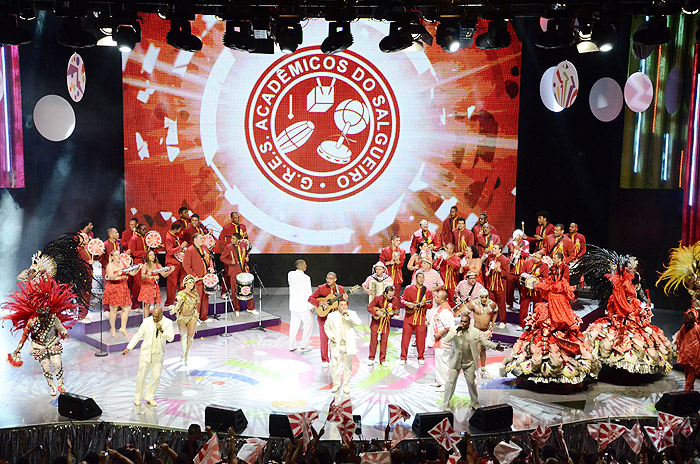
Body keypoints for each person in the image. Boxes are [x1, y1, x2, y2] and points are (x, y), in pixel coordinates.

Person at [503, 252, 600, 384]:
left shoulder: (564, 268)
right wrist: (540, 284)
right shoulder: (553, 268)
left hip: (559, 301)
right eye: (553, 258)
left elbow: (561, 284)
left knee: (562, 323)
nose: (553, 260)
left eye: (555, 258)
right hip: (552, 300)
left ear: (560, 259)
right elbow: (548, 283)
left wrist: (546, 285)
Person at [578, 247, 674, 375]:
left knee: (643, 335)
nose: (634, 269)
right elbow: (618, 296)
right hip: (622, 310)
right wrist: (625, 309)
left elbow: (639, 291)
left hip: (633, 310)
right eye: (632, 267)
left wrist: (646, 300)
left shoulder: (636, 278)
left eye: (636, 267)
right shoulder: (621, 280)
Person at [3, 277, 77, 395]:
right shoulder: (32, 322)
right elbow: (24, 335)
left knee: (57, 363)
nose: (43, 318)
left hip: (53, 343)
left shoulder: (53, 318)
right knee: (46, 367)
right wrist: (18, 348)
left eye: (45, 315)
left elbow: (61, 327)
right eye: (41, 315)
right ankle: (52, 386)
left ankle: (60, 384)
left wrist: (64, 333)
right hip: (39, 346)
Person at [441, 312, 502, 411]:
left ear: (469, 323)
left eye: (465, 322)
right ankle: (445, 404)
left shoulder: (475, 332)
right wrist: (455, 331)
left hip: (469, 363)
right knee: (450, 383)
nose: (463, 323)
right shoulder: (454, 330)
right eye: (461, 321)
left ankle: (475, 403)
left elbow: (484, 342)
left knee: (471, 384)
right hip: (455, 362)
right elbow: (447, 340)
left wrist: (495, 346)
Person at [122, 306, 175, 406]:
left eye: (157, 317)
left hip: (158, 354)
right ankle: (137, 397)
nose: (154, 318)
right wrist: (129, 348)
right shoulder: (147, 321)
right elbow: (138, 335)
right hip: (146, 353)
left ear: (161, 315)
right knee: (141, 377)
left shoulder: (168, 323)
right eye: (153, 316)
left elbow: (171, 338)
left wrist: (162, 330)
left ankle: (150, 397)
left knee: (156, 376)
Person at [309, 272, 346, 367]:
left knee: (337, 339)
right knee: (324, 339)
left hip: (336, 318)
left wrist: (345, 300)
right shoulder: (321, 288)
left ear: (335, 279)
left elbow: (345, 305)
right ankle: (325, 360)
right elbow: (311, 298)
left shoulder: (340, 289)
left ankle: (337, 359)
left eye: (331, 278)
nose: (328, 280)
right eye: (327, 278)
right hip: (323, 317)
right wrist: (320, 303)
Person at [324, 299, 361, 394]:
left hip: (348, 343)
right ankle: (336, 384)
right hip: (337, 343)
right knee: (335, 365)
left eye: (345, 305)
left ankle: (346, 385)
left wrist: (348, 315)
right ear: (338, 306)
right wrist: (330, 335)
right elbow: (326, 327)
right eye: (341, 305)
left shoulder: (352, 313)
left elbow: (358, 323)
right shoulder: (331, 316)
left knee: (348, 366)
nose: (343, 307)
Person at [103, 249, 140, 337]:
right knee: (114, 309)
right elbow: (110, 277)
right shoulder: (110, 265)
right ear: (112, 257)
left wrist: (137, 268)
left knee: (127, 308)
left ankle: (123, 327)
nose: (119, 256)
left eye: (119, 255)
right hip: (114, 288)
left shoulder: (123, 264)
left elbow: (131, 273)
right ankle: (112, 329)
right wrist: (119, 274)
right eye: (116, 255)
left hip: (123, 288)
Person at [219, 233, 258, 316]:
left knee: (249, 289)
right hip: (234, 271)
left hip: (244, 270)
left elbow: (246, 254)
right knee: (234, 290)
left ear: (238, 240)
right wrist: (230, 262)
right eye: (231, 238)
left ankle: (251, 308)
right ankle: (237, 308)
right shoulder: (229, 247)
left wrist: (247, 258)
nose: (231, 240)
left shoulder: (243, 245)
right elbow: (222, 257)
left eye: (233, 239)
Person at [400, 271, 432, 365]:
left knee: (421, 340)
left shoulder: (427, 291)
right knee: (405, 339)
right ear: (416, 278)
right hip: (409, 318)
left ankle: (420, 356)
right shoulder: (408, 288)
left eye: (423, 278)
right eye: (419, 277)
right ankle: (403, 357)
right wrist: (407, 304)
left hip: (421, 318)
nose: (421, 279)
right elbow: (402, 299)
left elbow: (430, 305)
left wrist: (425, 304)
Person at [183, 233, 215, 321]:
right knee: (196, 299)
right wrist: (193, 276)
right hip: (196, 280)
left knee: (205, 298)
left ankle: (203, 317)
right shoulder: (190, 250)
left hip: (205, 278)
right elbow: (186, 265)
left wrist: (211, 267)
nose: (202, 240)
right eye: (201, 238)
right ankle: (194, 319)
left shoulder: (205, 248)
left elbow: (210, 259)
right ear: (195, 239)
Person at [429, 290, 456, 392]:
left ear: (443, 299)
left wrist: (439, 333)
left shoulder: (446, 311)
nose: (435, 298)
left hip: (444, 341)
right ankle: (439, 381)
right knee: (439, 362)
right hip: (438, 341)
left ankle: (445, 384)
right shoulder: (440, 308)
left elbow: (450, 326)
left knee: (444, 363)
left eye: (437, 297)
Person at [467, 289, 498, 377]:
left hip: (486, 332)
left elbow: (496, 312)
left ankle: (483, 370)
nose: (484, 299)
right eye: (482, 297)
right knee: (477, 350)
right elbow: (465, 314)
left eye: (486, 297)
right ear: (479, 297)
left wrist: (493, 323)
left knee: (483, 350)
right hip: (476, 331)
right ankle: (472, 371)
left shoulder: (491, 304)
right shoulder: (473, 304)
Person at [367, 286, 399, 366]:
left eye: (392, 295)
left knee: (384, 341)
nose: (391, 297)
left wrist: (394, 313)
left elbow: (396, 310)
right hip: (376, 323)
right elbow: (369, 307)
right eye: (390, 296)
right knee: (373, 341)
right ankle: (371, 358)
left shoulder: (395, 300)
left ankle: (382, 359)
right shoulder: (377, 298)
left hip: (386, 323)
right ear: (385, 293)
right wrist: (377, 312)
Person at [171, 275, 199, 363]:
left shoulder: (194, 294)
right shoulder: (182, 294)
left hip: (192, 317)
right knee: (183, 336)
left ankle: (187, 354)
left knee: (190, 337)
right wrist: (174, 310)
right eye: (190, 282)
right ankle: (183, 353)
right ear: (185, 284)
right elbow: (178, 305)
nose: (192, 284)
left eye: (193, 282)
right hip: (182, 317)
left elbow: (195, 306)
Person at [518, 250, 549, 327]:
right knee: (524, 306)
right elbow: (521, 272)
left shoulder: (544, 265)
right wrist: (527, 278)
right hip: (526, 288)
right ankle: (522, 324)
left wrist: (538, 282)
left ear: (541, 258)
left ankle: (536, 324)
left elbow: (546, 277)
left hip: (536, 289)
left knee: (537, 306)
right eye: (535, 257)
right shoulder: (526, 262)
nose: (535, 259)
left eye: (538, 258)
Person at [288, 259, 314, 352]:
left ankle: (291, 345)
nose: (306, 266)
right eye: (305, 265)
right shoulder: (306, 278)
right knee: (308, 324)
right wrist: (311, 306)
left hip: (294, 306)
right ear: (302, 266)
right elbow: (308, 293)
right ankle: (304, 344)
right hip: (304, 306)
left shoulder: (290, 274)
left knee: (294, 326)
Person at [139, 249, 173, 318]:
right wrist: (147, 275)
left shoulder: (158, 265)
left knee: (157, 303)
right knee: (147, 304)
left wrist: (171, 271)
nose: (152, 257)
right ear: (147, 256)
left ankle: (157, 319)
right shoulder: (145, 266)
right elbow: (142, 277)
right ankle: (146, 321)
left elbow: (164, 275)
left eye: (153, 255)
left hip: (155, 285)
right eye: (150, 255)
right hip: (147, 286)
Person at [484, 243, 509, 328]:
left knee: (501, 304)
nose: (493, 249)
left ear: (500, 250)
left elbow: (507, 274)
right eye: (493, 247)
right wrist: (487, 271)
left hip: (500, 286)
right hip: (490, 285)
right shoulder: (490, 256)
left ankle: (502, 321)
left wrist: (499, 270)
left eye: (495, 248)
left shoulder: (505, 260)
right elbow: (486, 266)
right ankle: (490, 320)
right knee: (490, 303)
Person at [675, 309, 700, 390]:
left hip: (684, 352)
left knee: (687, 372)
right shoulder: (697, 328)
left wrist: (678, 348)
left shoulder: (684, 327)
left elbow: (679, 338)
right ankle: (687, 391)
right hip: (694, 354)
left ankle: (689, 391)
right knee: (692, 374)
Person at [505, 229, 529, 310]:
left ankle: (523, 303)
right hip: (512, 268)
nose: (514, 238)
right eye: (514, 236)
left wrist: (520, 250)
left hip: (521, 268)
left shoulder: (525, 243)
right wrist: (510, 259)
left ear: (520, 236)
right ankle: (509, 303)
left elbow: (527, 254)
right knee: (509, 288)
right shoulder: (510, 244)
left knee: (521, 288)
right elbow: (508, 255)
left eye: (516, 236)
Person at [165, 222, 187, 308]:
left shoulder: (175, 236)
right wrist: (181, 247)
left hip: (179, 262)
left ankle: (179, 299)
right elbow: (170, 251)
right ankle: (169, 303)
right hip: (172, 263)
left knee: (182, 281)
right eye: (179, 230)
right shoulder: (168, 237)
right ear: (176, 229)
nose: (180, 231)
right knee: (172, 284)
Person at [128, 223, 148, 309]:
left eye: (145, 230)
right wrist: (144, 253)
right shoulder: (134, 238)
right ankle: (135, 305)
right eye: (142, 230)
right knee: (137, 284)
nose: (144, 231)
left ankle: (143, 304)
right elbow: (132, 252)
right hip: (137, 263)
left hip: (145, 262)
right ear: (138, 230)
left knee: (145, 284)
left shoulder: (145, 237)